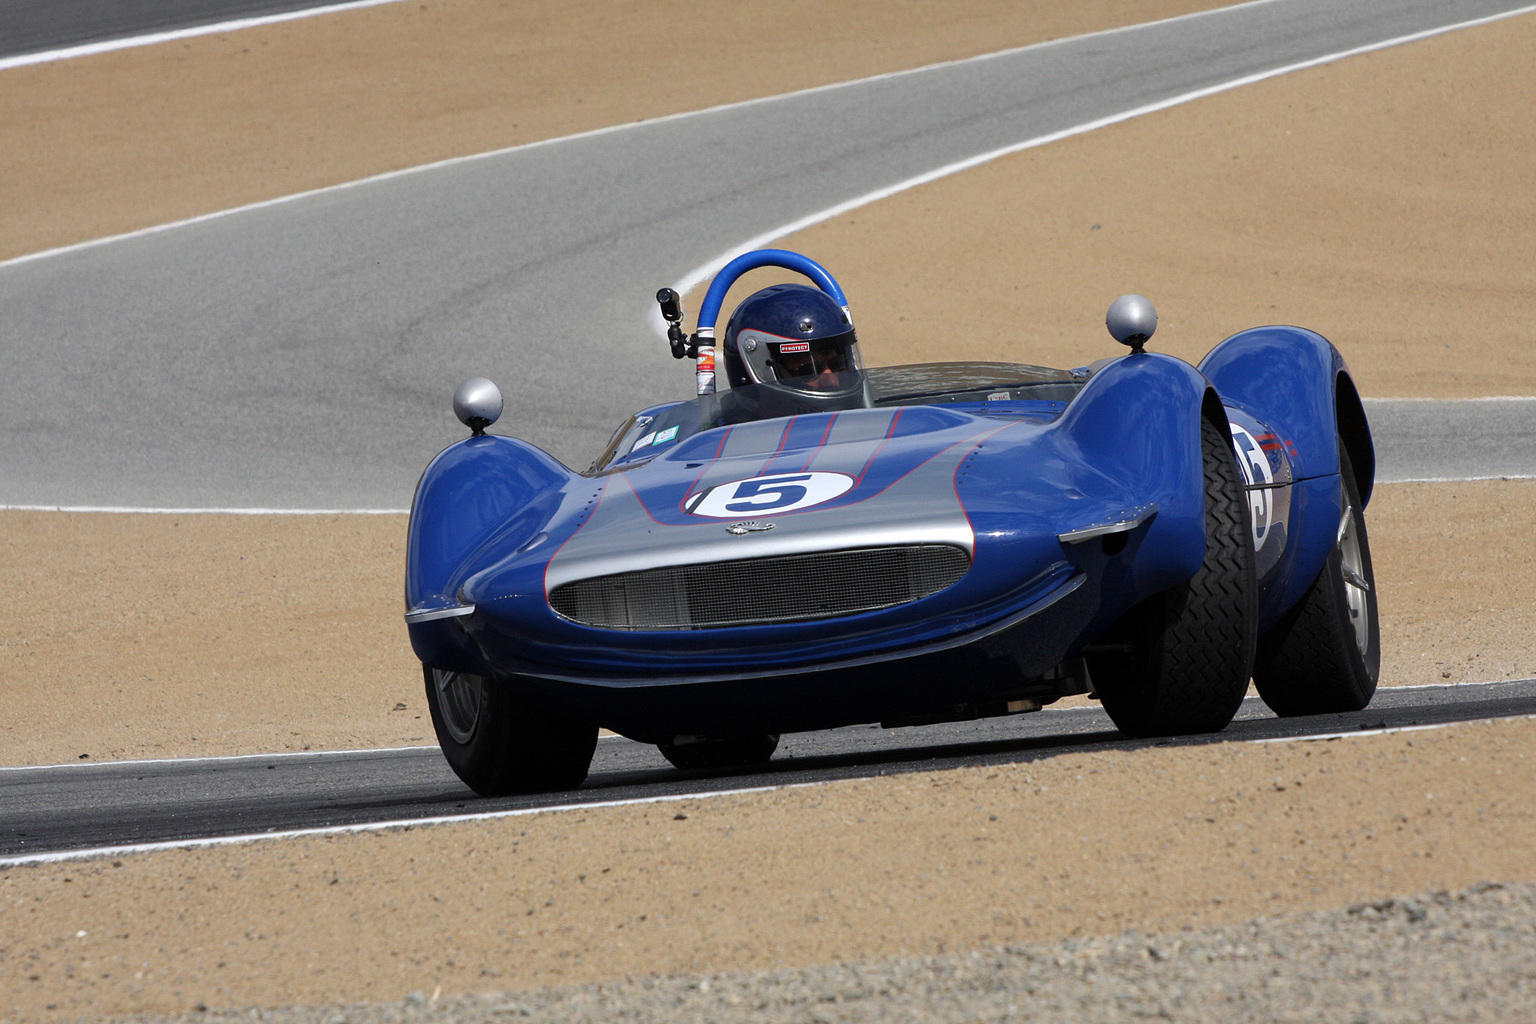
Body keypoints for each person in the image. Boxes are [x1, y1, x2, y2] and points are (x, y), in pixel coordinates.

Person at [719, 283, 873, 415]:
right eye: (808, 370)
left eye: (839, 365)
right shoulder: (724, 443)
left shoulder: (872, 425)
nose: (832, 381)